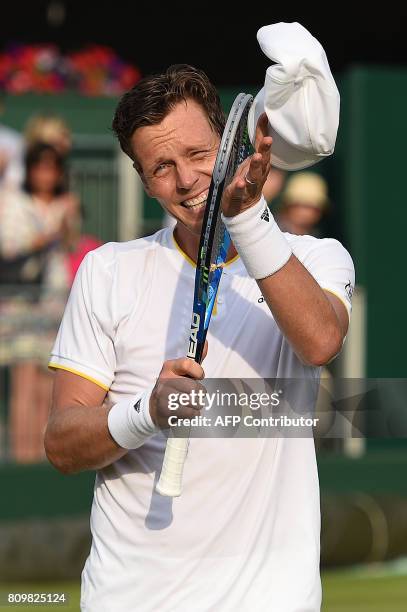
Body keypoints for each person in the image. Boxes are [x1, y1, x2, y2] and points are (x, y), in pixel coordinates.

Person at [45, 60, 354, 611]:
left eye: (197, 154)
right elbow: (63, 444)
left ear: (230, 146)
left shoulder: (315, 258)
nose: (185, 179)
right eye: (161, 166)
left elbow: (321, 341)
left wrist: (248, 218)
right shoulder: (107, 270)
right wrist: (146, 413)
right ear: (143, 181)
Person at [0, 143, 77, 462]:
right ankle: (24, 458)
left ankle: (45, 461)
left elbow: (71, 245)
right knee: (24, 380)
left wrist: (67, 219)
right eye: (40, 167)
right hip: (20, 303)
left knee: (48, 383)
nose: (46, 174)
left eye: (52, 167)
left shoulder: (65, 203)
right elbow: (8, 247)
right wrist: (47, 235)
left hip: (53, 304)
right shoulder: (12, 202)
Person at [276, 172, 330, 237]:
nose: (304, 212)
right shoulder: (268, 230)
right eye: (298, 204)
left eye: (311, 207)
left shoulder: (317, 239)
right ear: (287, 205)